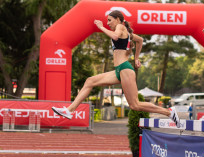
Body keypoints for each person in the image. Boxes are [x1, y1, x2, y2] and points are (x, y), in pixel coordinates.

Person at [52, 10, 180, 128]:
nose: (107, 23)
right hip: (119, 70)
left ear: (118, 19)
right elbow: (139, 40)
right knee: (90, 81)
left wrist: (101, 27)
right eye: (106, 21)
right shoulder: (127, 32)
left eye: (109, 20)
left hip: (125, 69)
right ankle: (69, 110)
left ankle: (169, 112)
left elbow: (115, 37)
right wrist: (136, 58)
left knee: (135, 105)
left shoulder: (120, 27)